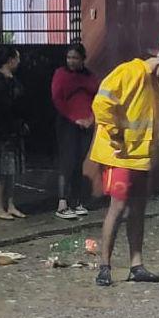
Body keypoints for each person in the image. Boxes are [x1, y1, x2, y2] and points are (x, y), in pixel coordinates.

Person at [91, 36, 159, 287]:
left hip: (141, 156)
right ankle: (104, 267)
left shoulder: (156, 82)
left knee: (138, 210)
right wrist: (115, 133)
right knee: (117, 208)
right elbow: (101, 102)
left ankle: (136, 265)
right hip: (120, 155)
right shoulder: (129, 72)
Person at [51, 42, 98, 219]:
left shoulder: (90, 77)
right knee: (67, 161)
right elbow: (57, 99)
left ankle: (76, 201)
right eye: (69, 57)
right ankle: (62, 203)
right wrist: (74, 118)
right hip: (67, 124)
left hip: (86, 123)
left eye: (75, 58)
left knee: (79, 162)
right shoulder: (61, 75)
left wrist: (91, 118)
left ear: (82, 59)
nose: (71, 61)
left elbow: (97, 97)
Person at [0, 45, 28, 220]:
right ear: (10, 60)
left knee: (12, 171)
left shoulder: (12, 80)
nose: (19, 62)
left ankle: (10, 205)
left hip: (14, 130)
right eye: (17, 58)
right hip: (1, 132)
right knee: (0, 171)